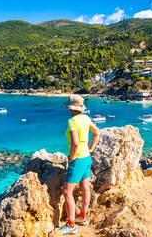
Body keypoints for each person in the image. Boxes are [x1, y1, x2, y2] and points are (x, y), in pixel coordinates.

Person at [56, 95, 100, 235]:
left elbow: (75, 143)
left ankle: (71, 225)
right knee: (85, 188)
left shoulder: (72, 121)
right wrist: (91, 148)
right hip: (87, 158)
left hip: (78, 160)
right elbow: (97, 132)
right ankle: (82, 217)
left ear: (70, 108)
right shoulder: (86, 118)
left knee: (67, 191)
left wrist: (71, 157)